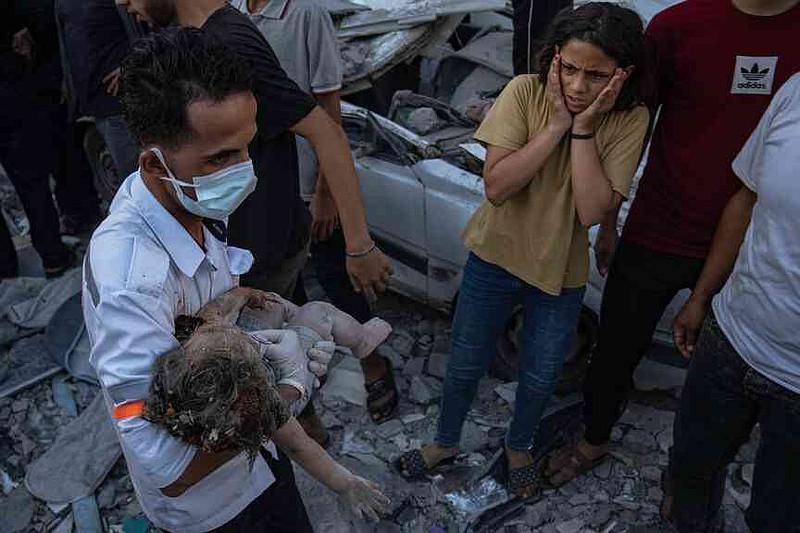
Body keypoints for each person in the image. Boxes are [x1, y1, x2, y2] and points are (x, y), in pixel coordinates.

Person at [83, 28, 383, 531]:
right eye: (221, 158)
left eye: (249, 147)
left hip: (259, 466)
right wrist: (288, 390)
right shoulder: (131, 283)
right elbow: (169, 468)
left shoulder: (190, 199)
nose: (243, 170)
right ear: (154, 163)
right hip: (214, 509)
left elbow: (209, 334)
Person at [395, 2, 650, 498]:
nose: (578, 87)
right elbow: (498, 185)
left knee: (539, 375)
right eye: (570, 69)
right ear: (553, 58)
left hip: (560, 270)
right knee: (466, 362)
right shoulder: (524, 93)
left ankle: (519, 446)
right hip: (494, 256)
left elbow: (592, 210)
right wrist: (555, 126)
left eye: (596, 76)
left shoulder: (628, 120)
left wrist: (582, 129)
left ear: (622, 76)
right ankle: (446, 442)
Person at [546, 0, 800, 486]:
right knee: (617, 347)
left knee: (724, 377)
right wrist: (612, 221)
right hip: (658, 226)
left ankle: (693, 485)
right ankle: (593, 439)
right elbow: (635, 125)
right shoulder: (679, 26)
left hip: (754, 246)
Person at [232, 0, 399, 423]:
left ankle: (373, 362)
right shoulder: (229, 12)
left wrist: (326, 191)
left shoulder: (306, 13)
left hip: (310, 178)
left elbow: (330, 110)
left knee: (339, 282)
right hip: (270, 182)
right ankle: (303, 381)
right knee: (289, 292)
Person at [664, 71, 800, 533]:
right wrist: (702, 296)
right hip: (733, 336)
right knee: (689, 470)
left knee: (777, 517)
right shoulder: (796, 91)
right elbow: (746, 199)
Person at [0, 0, 75, 278]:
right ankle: (52, 256)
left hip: (10, 96)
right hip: (10, 99)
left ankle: (6, 270)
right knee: (32, 185)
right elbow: (36, 16)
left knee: (32, 184)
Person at [56, 0, 143, 182]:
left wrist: (132, 65)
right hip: (92, 101)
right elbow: (66, 39)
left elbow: (151, 27)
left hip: (122, 99)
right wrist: (68, 80)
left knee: (137, 177)